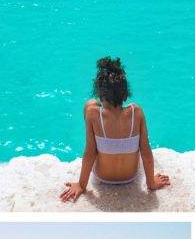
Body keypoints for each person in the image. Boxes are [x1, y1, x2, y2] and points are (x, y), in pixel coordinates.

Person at [61, 57, 170, 203]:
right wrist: (151, 183)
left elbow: (89, 153)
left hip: (103, 177)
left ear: (100, 95)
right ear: (125, 95)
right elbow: (146, 152)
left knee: (89, 104)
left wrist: (81, 185)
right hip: (130, 177)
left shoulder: (93, 114)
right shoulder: (136, 113)